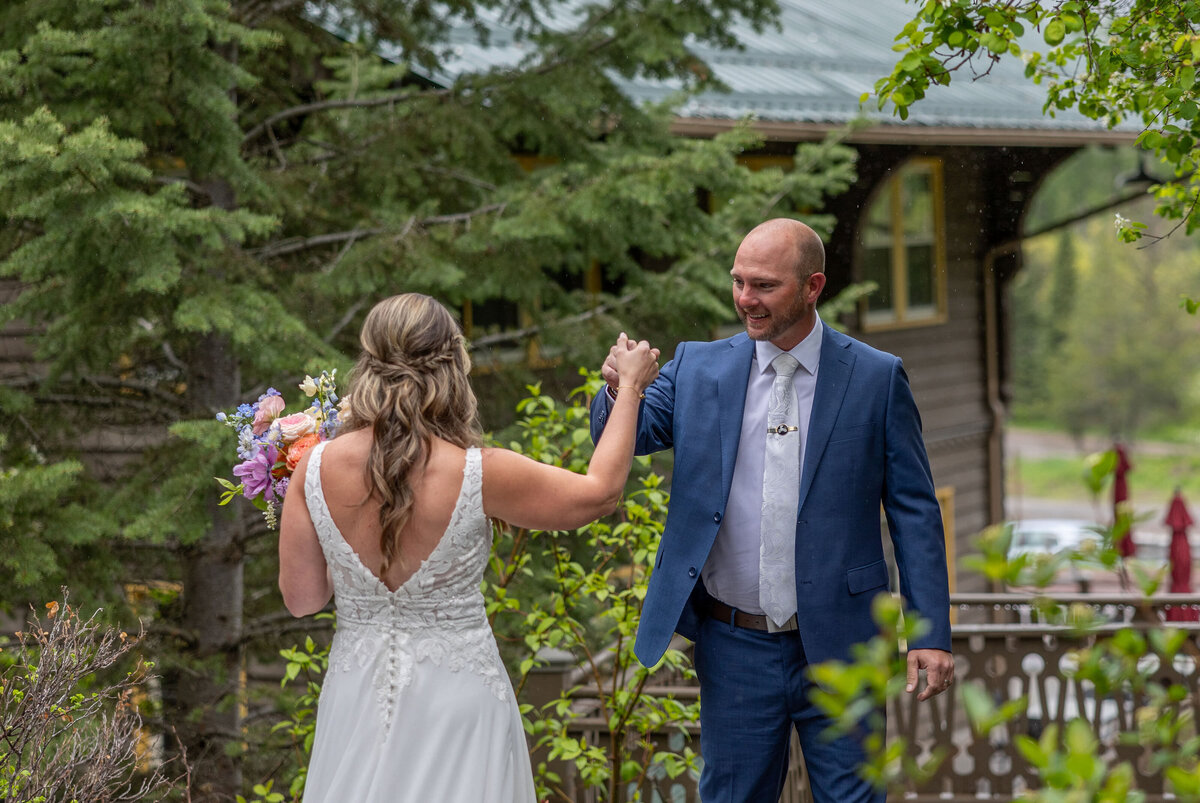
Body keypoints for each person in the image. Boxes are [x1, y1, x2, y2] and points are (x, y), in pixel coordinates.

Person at [590, 218, 954, 803]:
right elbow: (622, 436)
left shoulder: (877, 378)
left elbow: (914, 510)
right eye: (738, 282)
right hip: (734, 646)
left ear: (813, 287)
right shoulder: (697, 366)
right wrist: (619, 390)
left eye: (763, 286)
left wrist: (929, 629)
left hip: (844, 644)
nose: (744, 299)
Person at [278, 293, 660, 803]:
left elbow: (303, 600)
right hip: (457, 700)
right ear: (453, 363)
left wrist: (341, 542)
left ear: (367, 363)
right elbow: (599, 493)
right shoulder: (479, 471)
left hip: (355, 698)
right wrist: (631, 387)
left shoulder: (313, 467)